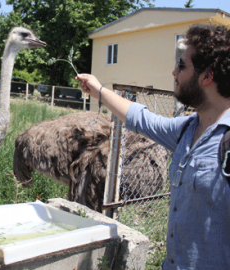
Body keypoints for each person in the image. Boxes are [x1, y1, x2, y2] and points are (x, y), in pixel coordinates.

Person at [76, 23, 230, 270]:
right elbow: (142, 119)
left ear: (207, 76)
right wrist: (99, 90)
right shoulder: (187, 129)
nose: (174, 72)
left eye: (182, 65)